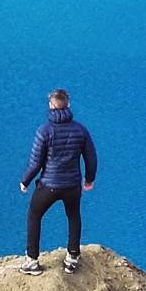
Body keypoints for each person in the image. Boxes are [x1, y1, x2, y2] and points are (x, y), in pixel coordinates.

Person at [18, 88, 97, 275]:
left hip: (49, 185)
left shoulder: (44, 131)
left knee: (34, 215)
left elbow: (35, 163)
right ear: (68, 104)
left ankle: (32, 261)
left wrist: (25, 181)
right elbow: (91, 158)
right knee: (73, 215)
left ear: (50, 105)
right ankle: (72, 258)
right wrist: (89, 179)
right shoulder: (80, 130)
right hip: (72, 185)